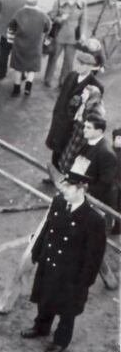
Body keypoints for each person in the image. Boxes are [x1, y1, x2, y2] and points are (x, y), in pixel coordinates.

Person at [21, 172, 106, 352]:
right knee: (45, 298)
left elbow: (94, 256)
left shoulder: (94, 220)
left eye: (69, 187)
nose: (63, 190)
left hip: (71, 274)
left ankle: (61, 340)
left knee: (67, 310)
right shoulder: (59, 202)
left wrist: (84, 281)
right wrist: (37, 252)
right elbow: (47, 228)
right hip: (50, 262)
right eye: (64, 186)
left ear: (82, 189)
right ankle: (41, 327)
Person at [63, 115, 119, 290]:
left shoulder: (106, 153)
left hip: (98, 204)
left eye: (88, 127)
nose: (84, 129)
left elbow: (106, 182)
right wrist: (70, 179)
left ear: (99, 131)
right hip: (82, 197)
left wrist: (83, 188)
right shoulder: (88, 144)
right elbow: (79, 165)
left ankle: (103, 276)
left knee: (93, 242)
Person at [45, 44, 106, 172]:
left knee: (67, 155)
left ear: (89, 67)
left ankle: (61, 178)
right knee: (55, 150)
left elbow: (93, 109)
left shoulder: (95, 86)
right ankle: (53, 175)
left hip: (75, 127)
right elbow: (62, 96)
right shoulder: (72, 75)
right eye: (77, 63)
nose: (77, 66)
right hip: (60, 120)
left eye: (82, 64)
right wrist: (57, 113)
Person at [8, 0, 51, 97]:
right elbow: (48, 27)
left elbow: (12, 27)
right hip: (35, 44)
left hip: (20, 44)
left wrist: (12, 37)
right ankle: (28, 86)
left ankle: (16, 88)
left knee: (18, 66)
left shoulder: (19, 13)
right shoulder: (43, 15)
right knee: (32, 67)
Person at [44, 0, 86, 88]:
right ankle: (48, 79)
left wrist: (82, 34)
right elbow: (52, 17)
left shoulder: (82, 4)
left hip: (73, 37)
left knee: (69, 61)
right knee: (53, 57)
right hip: (59, 34)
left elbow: (83, 21)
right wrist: (60, 19)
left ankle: (64, 81)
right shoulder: (59, 1)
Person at [0, 0, 30, 80]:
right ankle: (21, 74)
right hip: (18, 33)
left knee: (3, 53)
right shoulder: (26, 2)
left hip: (5, 30)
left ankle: (1, 73)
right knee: (20, 54)